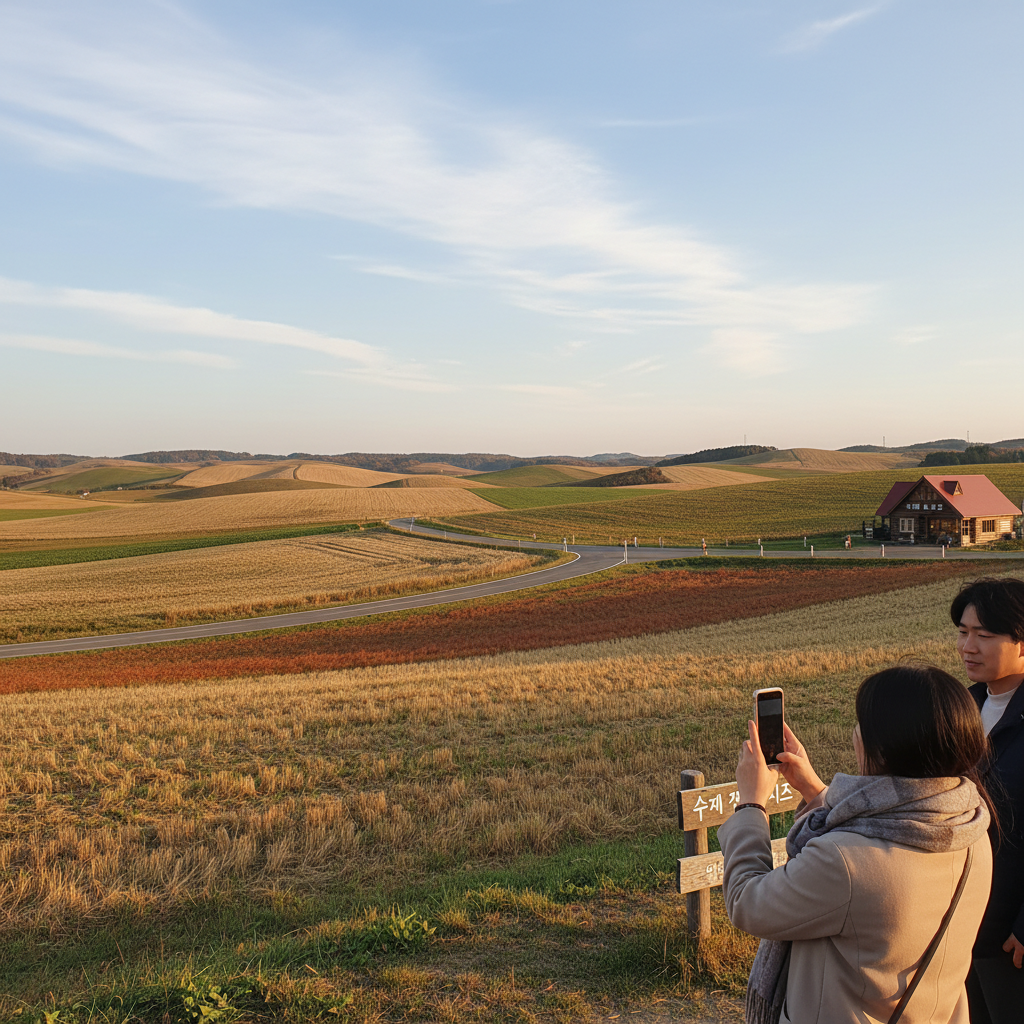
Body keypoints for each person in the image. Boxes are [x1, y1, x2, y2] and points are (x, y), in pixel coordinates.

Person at [718, 665, 993, 1024]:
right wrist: (813, 789)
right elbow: (888, 829)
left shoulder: (844, 862)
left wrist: (752, 805)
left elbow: (747, 901)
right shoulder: (970, 833)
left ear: (882, 747)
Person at [951, 578, 1024, 1023]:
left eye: (986, 634)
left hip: (1009, 935)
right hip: (959, 922)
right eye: (963, 632)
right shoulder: (962, 709)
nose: (968, 646)